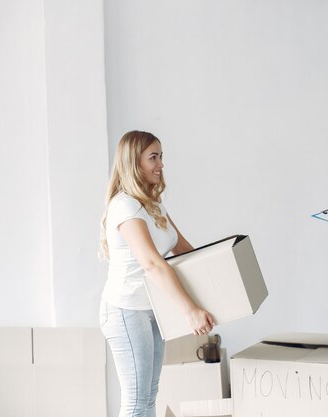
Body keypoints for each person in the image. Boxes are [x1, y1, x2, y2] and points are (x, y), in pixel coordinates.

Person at [99, 131, 215, 417]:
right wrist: (189, 310)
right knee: (137, 401)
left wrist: (217, 281)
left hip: (152, 309)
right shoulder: (125, 206)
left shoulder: (151, 203)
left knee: (149, 396)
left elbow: (182, 248)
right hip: (126, 311)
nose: (160, 164)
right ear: (133, 162)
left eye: (161, 156)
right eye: (153, 157)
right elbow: (152, 263)